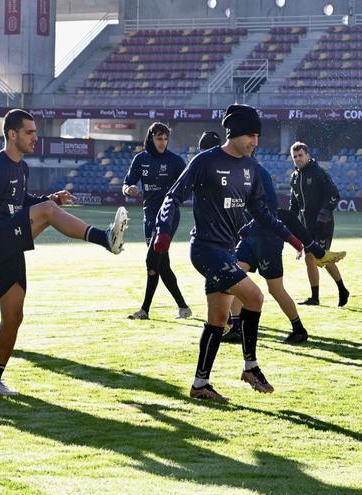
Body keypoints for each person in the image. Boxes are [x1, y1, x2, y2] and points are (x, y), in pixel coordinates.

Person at [153, 104, 306, 401]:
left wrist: (291, 238)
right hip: (206, 251)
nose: (255, 141)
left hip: (227, 250)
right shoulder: (205, 162)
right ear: (234, 132)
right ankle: (251, 367)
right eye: (250, 134)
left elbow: (261, 212)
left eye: (258, 135)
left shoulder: (250, 168)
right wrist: (163, 233)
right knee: (255, 296)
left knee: (218, 319)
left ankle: (200, 385)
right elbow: (174, 196)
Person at [0, 109, 129, 395]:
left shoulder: (21, 167)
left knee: (13, 316)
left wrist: (49, 199)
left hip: (11, 246)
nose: (36, 137)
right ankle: (106, 238)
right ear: (12, 134)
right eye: (29, 132)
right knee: (47, 212)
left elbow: (21, 202)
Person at [229, 161, 313, 344]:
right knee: (234, 277)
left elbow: (269, 212)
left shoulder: (259, 173)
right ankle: (235, 328)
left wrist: (246, 227)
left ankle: (299, 329)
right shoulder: (235, 171)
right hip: (251, 238)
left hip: (268, 239)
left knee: (275, 289)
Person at [122, 122, 190, 320]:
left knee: (152, 259)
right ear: (151, 138)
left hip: (168, 216)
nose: (163, 142)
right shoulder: (140, 159)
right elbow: (128, 183)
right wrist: (128, 190)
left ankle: (144, 310)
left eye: (165, 139)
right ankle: (183, 307)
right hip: (149, 216)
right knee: (161, 264)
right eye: (159, 138)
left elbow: (187, 187)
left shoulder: (176, 162)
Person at [289, 142, 348, 307]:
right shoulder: (294, 177)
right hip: (305, 225)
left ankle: (342, 289)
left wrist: (324, 215)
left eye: (300, 155)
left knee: (322, 258)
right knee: (310, 259)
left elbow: (334, 196)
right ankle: (315, 297)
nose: (298, 159)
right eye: (295, 156)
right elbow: (293, 204)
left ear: (307, 155)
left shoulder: (319, 172)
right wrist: (290, 222)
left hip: (323, 224)